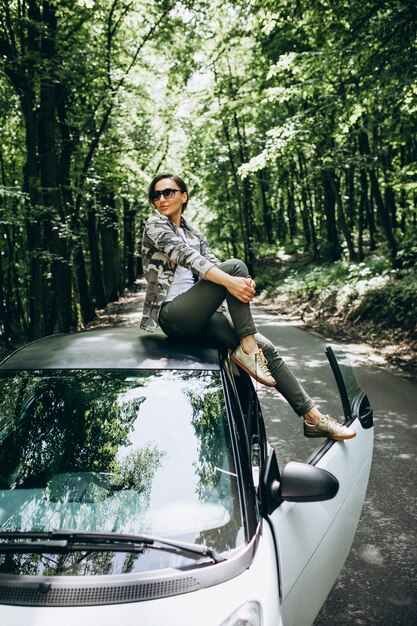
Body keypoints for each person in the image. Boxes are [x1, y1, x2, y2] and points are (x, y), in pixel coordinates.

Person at [140, 172, 356, 441]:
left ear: (184, 196)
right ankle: (248, 350)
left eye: (168, 192)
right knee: (235, 268)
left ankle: (313, 417)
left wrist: (240, 284)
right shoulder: (155, 225)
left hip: (201, 314)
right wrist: (233, 279)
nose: (161, 199)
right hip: (173, 314)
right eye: (156, 195)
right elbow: (193, 260)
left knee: (266, 347)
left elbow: (214, 265)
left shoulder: (194, 233)